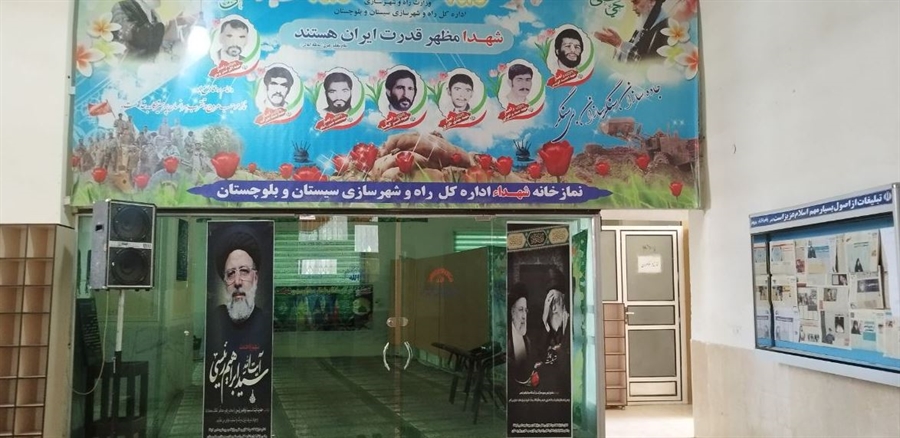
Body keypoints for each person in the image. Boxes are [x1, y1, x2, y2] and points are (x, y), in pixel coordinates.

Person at [205, 225, 272, 408]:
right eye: (230, 274)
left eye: (244, 271)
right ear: (225, 282)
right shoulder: (213, 322)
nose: (237, 282)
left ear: (255, 278)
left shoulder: (267, 324)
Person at [110, 0, 197, 60]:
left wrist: (179, 27)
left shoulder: (154, 15)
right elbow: (129, 39)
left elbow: (159, 46)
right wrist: (169, 27)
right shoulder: (122, 7)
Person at [593, 0, 668, 63]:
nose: (633, 8)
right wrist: (617, 44)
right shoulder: (646, 24)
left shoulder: (665, 31)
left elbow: (643, 65)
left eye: (636, 2)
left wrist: (619, 43)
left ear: (652, 1)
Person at [507, 283, 534, 384]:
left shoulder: (527, 342)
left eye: (525, 310)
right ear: (512, 312)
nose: (524, 316)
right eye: (520, 310)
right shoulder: (506, 340)